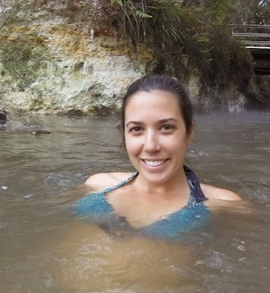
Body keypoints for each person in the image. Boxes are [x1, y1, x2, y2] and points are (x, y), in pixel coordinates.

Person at [75, 75, 242, 240]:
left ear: (189, 133)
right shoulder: (97, 184)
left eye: (166, 127)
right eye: (136, 129)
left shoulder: (225, 204)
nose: (150, 146)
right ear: (124, 135)